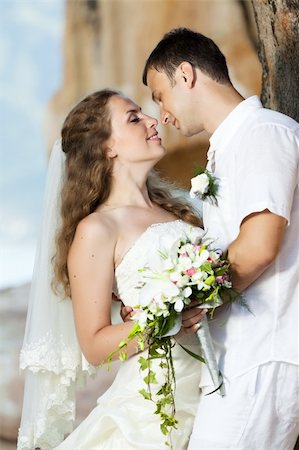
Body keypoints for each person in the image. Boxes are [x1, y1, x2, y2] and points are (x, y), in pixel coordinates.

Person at [17, 89, 206, 450]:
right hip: (156, 404)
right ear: (107, 147)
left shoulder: (180, 209)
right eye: (134, 118)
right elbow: (94, 344)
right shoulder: (97, 230)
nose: (152, 120)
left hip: (215, 378)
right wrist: (166, 321)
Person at [138, 27, 299, 450]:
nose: (162, 114)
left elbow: (260, 244)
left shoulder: (264, 133)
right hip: (242, 356)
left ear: (186, 75)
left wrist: (194, 300)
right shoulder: (232, 146)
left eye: (160, 95)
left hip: (265, 349)